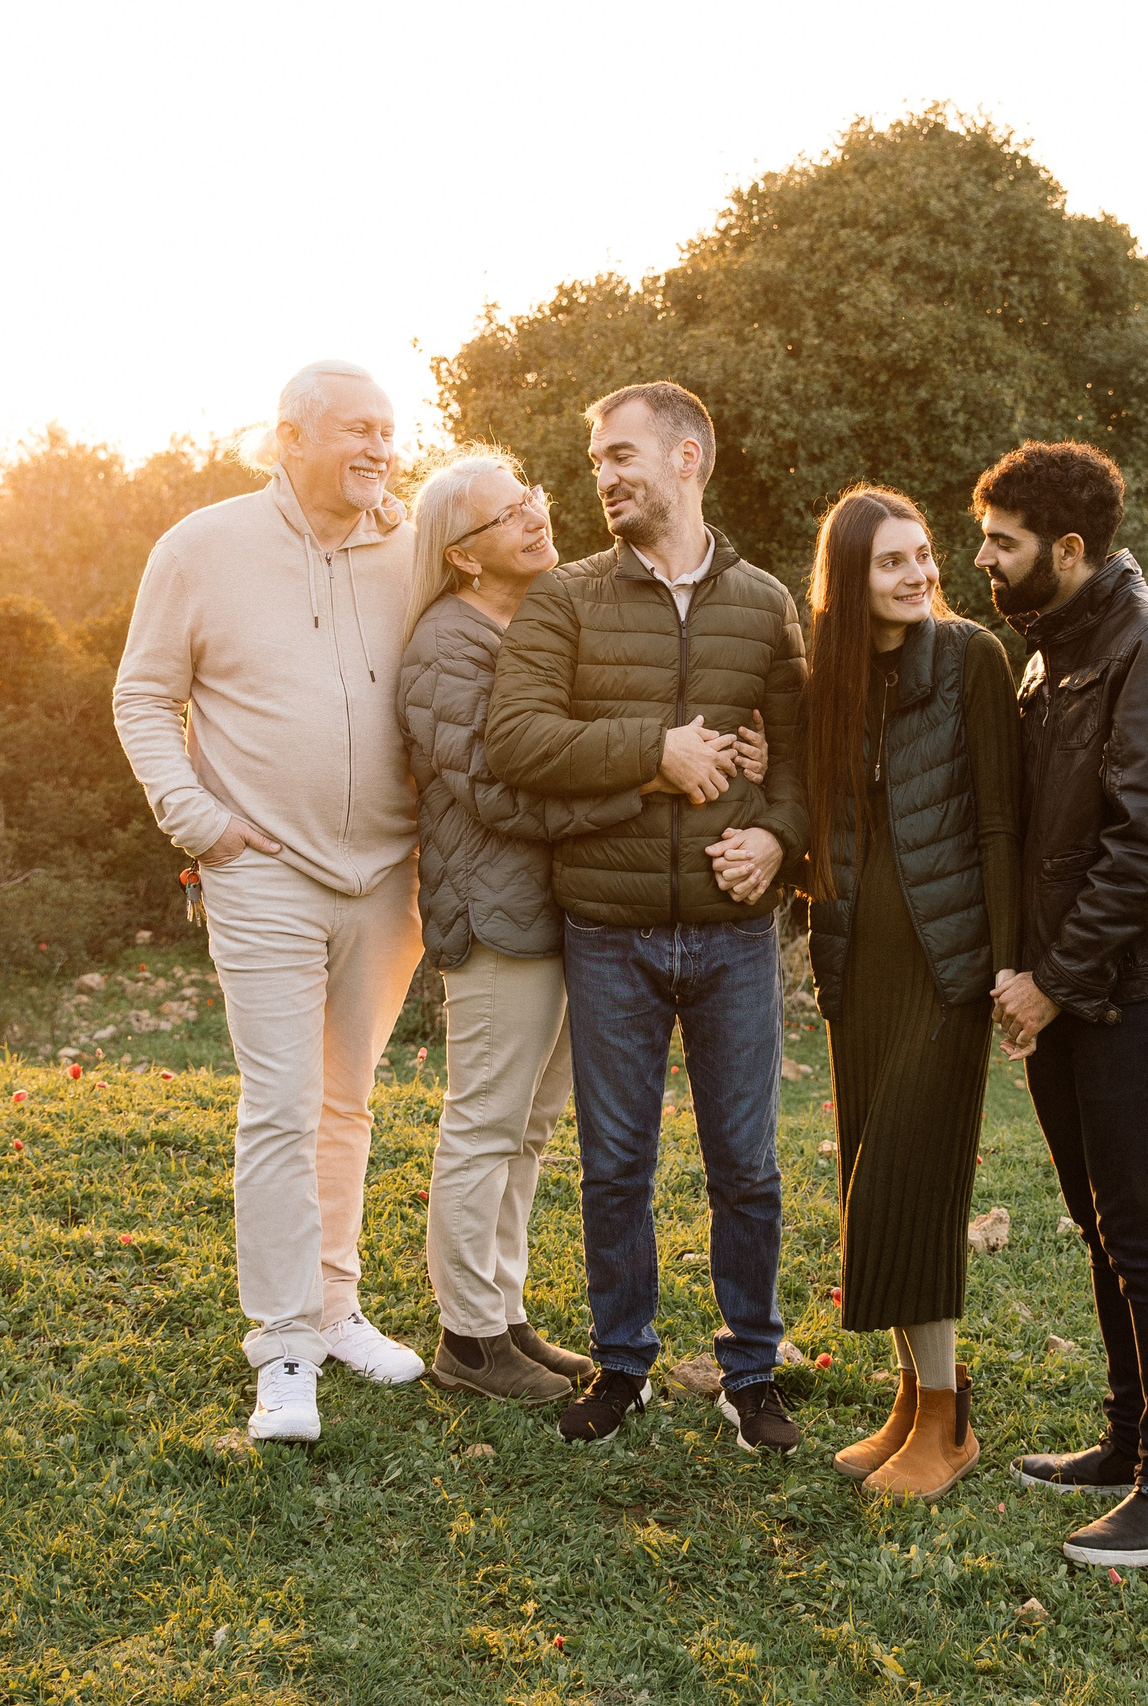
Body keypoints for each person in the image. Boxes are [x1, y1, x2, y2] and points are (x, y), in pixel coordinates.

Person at [398, 449, 765, 1403]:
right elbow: (504, 796)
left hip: (559, 913)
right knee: (483, 1122)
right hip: (495, 917)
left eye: (530, 496)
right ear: (463, 557)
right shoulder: (448, 645)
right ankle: (466, 1338)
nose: (534, 514)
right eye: (505, 514)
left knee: (528, 1127)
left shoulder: (535, 620)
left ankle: (503, 1315)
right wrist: (646, 783)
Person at [485, 381, 809, 1451]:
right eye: (594, 461)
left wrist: (778, 840)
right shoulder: (565, 600)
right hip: (610, 929)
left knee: (746, 1165)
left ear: (686, 458)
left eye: (621, 454)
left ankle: (749, 1368)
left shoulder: (764, 603)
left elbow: (807, 758)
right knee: (614, 1162)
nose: (604, 476)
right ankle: (622, 1364)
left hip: (732, 933)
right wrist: (654, 754)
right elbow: (517, 739)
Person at [114, 359, 431, 1445]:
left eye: (388, 431)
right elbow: (144, 695)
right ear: (288, 436)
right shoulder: (199, 547)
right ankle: (282, 1347)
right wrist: (201, 824)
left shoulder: (411, 547)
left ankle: (336, 1307)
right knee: (282, 1103)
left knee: (348, 1100)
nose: (379, 448)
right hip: (263, 871)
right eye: (356, 428)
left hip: (390, 876)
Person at [976, 441, 1148, 1567]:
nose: (980, 559)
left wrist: (1051, 978)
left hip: (1142, 994)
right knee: (1102, 1226)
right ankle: (1130, 1441)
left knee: (1143, 1228)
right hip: (1078, 994)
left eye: (1002, 542)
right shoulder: (1054, 654)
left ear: (1068, 550)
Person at [793, 487, 1021, 1499]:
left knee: (905, 1182)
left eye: (923, 554)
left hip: (944, 962)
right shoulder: (830, 673)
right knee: (864, 1178)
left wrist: (1006, 960)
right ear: (850, 578)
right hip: (857, 960)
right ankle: (915, 1393)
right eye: (893, 561)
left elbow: (1001, 826)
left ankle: (946, 1421)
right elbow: (816, 816)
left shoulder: (969, 656)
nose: (920, 573)